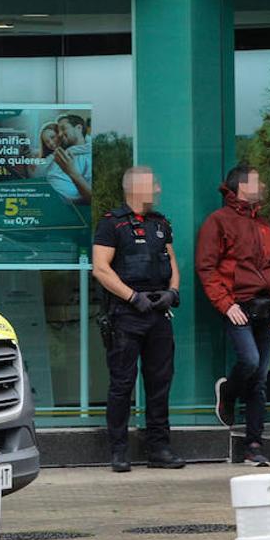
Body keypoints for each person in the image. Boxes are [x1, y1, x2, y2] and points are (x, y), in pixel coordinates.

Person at [92, 165, 184, 473]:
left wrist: (172, 292)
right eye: (153, 185)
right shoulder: (111, 225)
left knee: (159, 383)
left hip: (158, 313)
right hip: (126, 316)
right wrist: (133, 297)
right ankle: (119, 450)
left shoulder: (160, 224)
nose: (158, 190)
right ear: (136, 188)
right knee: (122, 384)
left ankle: (159, 448)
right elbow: (101, 269)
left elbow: (172, 262)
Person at [197, 165, 270, 467]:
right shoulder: (218, 222)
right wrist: (226, 305)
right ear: (240, 186)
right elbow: (207, 269)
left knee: (260, 379)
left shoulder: (263, 224)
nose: (262, 184)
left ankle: (253, 446)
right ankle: (228, 391)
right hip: (238, 307)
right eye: (256, 180)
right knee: (249, 362)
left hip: (267, 309)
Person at [46, 114, 92, 206]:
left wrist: (71, 172)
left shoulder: (92, 154)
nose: (60, 134)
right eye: (58, 131)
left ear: (78, 128)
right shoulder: (63, 155)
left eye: (63, 128)